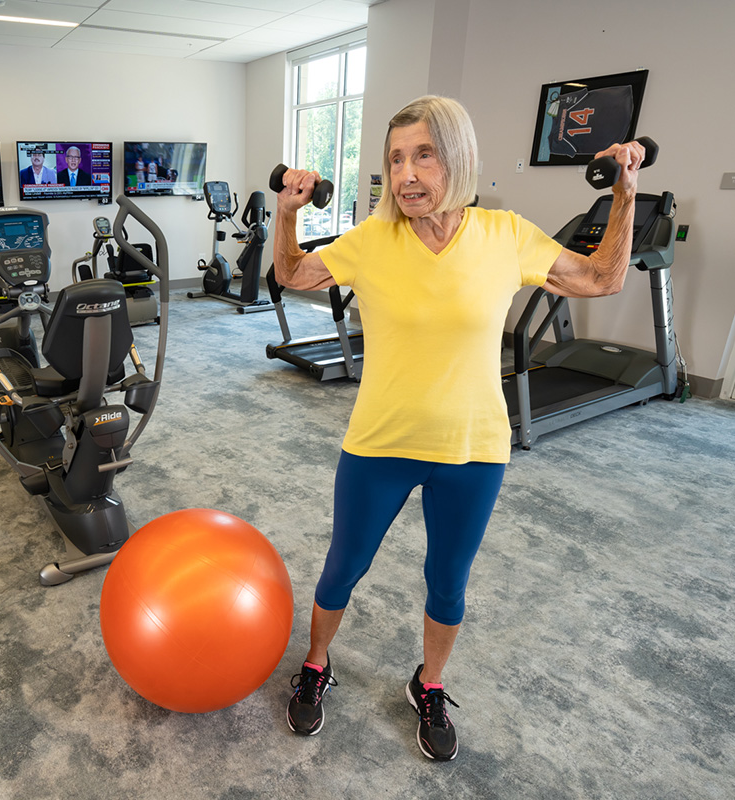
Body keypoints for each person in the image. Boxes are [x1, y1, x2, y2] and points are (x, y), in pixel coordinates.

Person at [275, 95, 645, 761]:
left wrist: (625, 196)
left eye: (424, 155)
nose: (408, 174)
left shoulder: (505, 235)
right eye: (395, 159)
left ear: (459, 159)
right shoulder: (372, 241)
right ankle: (316, 662)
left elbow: (601, 278)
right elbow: (292, 272)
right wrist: (285, 215)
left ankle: (431, 682)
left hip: (473, 449)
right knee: (343, 569)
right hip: (379, 442)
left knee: (447, 581)